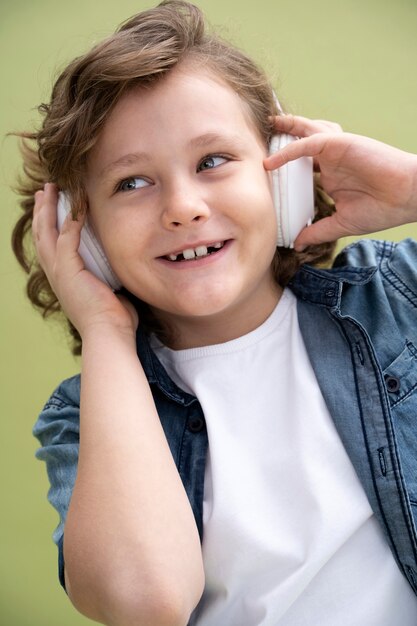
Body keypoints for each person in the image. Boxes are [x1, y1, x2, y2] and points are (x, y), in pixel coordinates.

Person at [11, 1, 417, 625]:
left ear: (283, 173)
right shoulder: (85, 417)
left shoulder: (394, 296)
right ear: (81, 233)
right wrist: (105, 332)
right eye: (132, 183)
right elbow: (146, 603)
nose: (183, 208)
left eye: (212, 161)